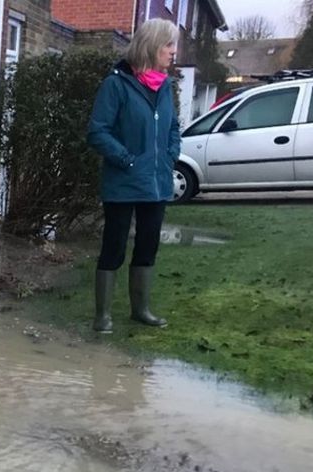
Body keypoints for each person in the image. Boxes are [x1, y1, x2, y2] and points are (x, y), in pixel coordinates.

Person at [87, 18, 180, 334]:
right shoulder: (116, 84)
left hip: (157, 183)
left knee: (148, 246)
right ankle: (103, 316)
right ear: (152, 46)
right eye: (169, 44)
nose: (173, 51)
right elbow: (98, 132)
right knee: (113, 247)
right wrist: (126, 159)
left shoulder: (165, 86)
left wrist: (170, 153)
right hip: (123, 182)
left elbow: (173, 126)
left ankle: (141, 310)